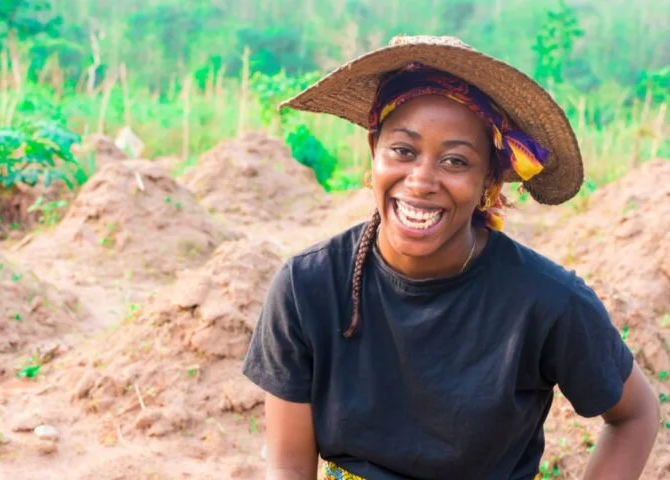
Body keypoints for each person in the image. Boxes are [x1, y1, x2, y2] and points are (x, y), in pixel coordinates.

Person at [242, 35, 660, 480]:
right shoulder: (309, 288)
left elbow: (635, 415)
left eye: (456, 161)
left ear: (488, 181)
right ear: (374, 151)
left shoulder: (546, 303)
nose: (421, 180)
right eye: (403, 151)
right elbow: (288, 466)